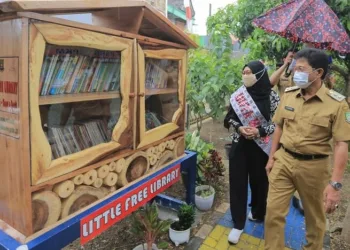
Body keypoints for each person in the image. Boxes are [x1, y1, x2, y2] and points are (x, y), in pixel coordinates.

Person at [264, 48, 350, 250]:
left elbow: (341, 144)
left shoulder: (337, 104)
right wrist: (271, 157)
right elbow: (278, 126)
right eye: (295, 68)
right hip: (284, 160)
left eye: (301, 68)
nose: (295, 73)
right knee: (273, 212)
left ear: (318, 73)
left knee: (315, 219)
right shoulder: (289, 94)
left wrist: (335, 185)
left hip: (314, 168)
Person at [224, 61, 280, 244]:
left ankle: (257, 212)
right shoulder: (239, 94)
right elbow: (230, 118)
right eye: (244, 72)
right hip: (239, 145)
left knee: (260, 183)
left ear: (260, 74)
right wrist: (240, 128)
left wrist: (260, 132)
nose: (245, 75)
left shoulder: (272, 97)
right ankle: (238, 224)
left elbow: (278, 124)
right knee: (238, 183)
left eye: (249, 72)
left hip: (261, 147)